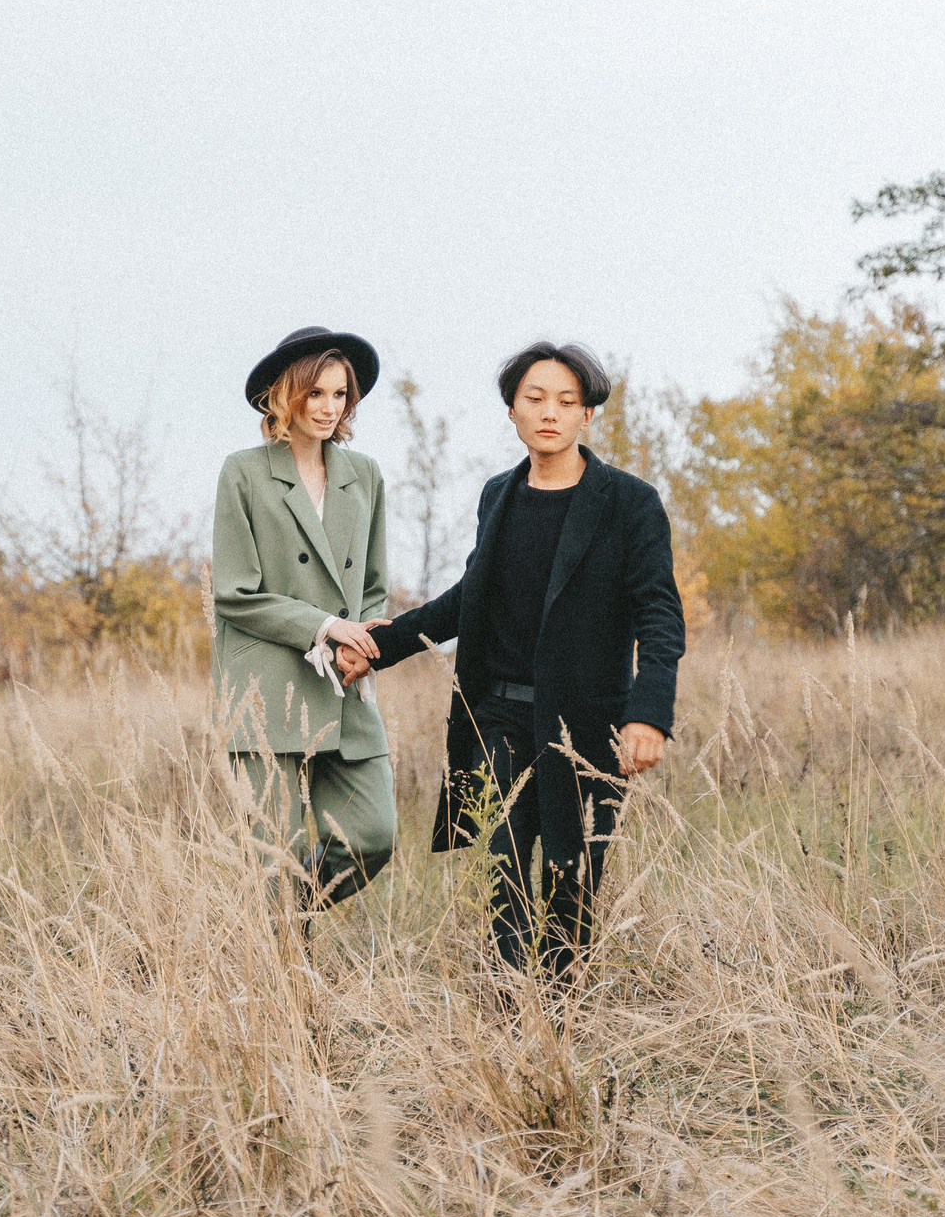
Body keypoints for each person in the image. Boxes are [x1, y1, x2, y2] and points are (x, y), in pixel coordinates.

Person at [351, 341, 684, 980]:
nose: (550, 413)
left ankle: (557, 1016)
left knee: (571, 879)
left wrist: (650, 714)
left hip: (587, 724)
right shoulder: (497, 495)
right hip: (498, 714)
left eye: (567, 401)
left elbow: (659, 617)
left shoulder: (628, 503)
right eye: (535, 399)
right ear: (512, 411)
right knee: (501, 866)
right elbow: (467, 602)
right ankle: (511, 1011)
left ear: (588, 415)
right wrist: (380, 646)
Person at [211, 326, 397, 919]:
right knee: (273, 859)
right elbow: (234, 594)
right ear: (283, 395)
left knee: (372, 836)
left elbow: (372, 586)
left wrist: (362, 642)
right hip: (266, 687)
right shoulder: (242, 472)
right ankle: (281, 977)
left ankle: (287, 918)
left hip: (342, 685)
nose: (328, 407)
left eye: (340, 395)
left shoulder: (363, 474)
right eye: (315, 393)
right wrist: (323, 627)